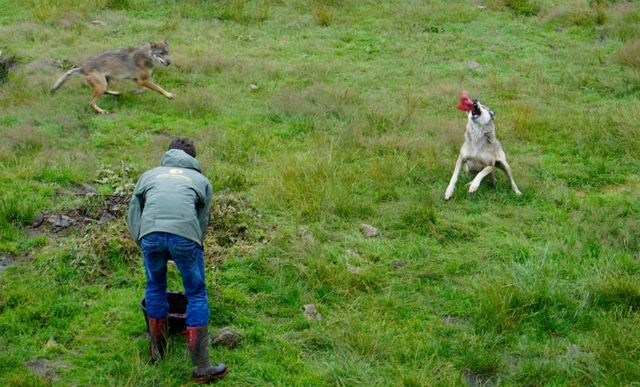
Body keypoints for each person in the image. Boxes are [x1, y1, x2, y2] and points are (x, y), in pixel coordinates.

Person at [127, 137, 227, 383]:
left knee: (155, 287)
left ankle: (157, 352)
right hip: (186, 237)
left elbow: (133, 213)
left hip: (149, 234)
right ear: (192, 158)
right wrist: (191, 244)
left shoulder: (148, 175)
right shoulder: (201, 181)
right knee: (195, 293)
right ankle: (202, 366)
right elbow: (202, 222)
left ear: (168, 154)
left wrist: (143, 241)